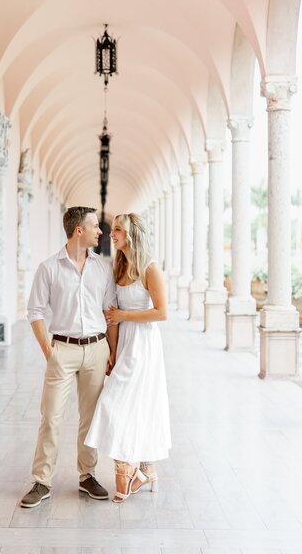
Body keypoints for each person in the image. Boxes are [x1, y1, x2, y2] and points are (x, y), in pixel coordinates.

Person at [20, 206, 118, 508]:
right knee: (50, 417)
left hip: (96, 348)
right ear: (79, 230)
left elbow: (109, 312)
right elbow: (35, 311)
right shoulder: (49, 268)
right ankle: (41, 480)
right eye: (94, 227)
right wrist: (50, 352)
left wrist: (111, 352)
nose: (100, 232)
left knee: (90, 419)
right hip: (62, 350)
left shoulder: (102, 268)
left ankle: (87, 474)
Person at [85, 213, 171, 502]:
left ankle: (131, 468)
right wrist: (112, 351)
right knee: (124, 402)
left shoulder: (150, 268)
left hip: (144, 344)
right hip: (124, 344)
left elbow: (161, 312)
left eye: (118, 229)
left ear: (132, 234)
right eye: (114, 229)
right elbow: (111, 315)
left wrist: (125, 315)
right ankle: (143, 469)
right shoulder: (117, 267)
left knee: (122, 402)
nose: (113, 233)